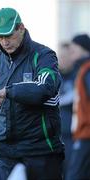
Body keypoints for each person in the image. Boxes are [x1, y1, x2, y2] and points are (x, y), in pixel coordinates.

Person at [0, 7, 64, 180]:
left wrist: (9, 91)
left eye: (8, 35)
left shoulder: (44, 55)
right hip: (4, 155)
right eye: (0, 37)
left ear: (21, 28)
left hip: (40, 152)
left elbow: (45, 88)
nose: (5, 42)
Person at [66, 34, 90, 180]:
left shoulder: (87, 70)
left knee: (74, 176)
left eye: (74, 49)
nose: (71, 52)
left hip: (86, 135)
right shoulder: (83, 69)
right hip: (84, 134)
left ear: (83, 49)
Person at [58, 43, 74, 179]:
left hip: (72, 137)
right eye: (60, 56)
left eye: (65, 55)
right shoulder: (53, 76)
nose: (62, 59)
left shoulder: (78, 75)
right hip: (54, 137)